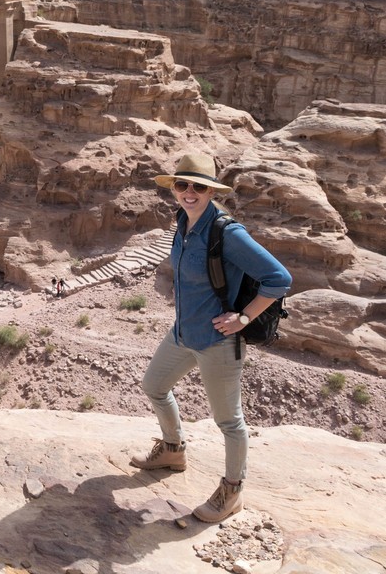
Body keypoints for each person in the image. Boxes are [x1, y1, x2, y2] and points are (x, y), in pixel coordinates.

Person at [129, 152, 291, 523]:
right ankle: (173, 450)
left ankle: (232, 491)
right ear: (174, 188)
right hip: (184, 332)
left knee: (229, 422)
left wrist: (244, 317)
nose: (189, 192)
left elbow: (279, 279)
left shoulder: (227, 233)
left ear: (211, 191)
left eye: (198, 187)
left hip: (218, 341)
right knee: (154, 386)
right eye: (182, 184)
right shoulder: (183, 221)